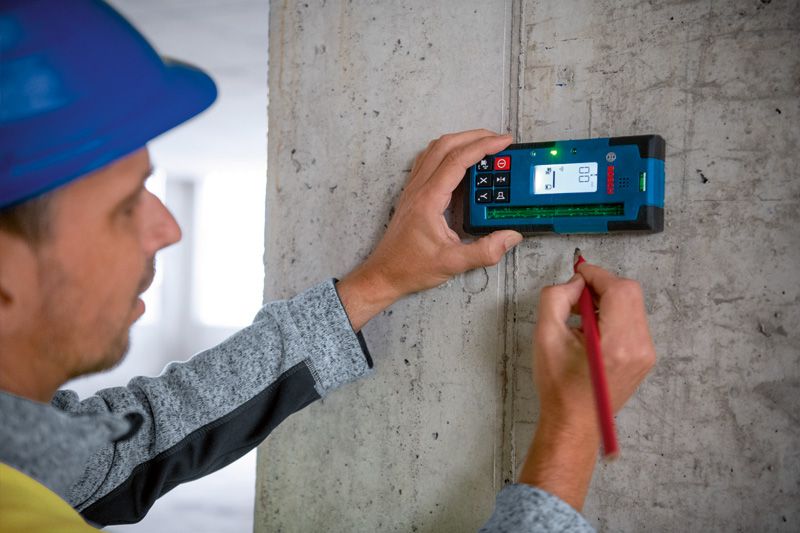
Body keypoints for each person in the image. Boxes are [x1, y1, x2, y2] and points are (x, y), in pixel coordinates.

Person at [0, 1, 655, 531]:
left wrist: (378, 282)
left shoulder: (24, 453)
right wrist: (571, 433)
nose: (167, 227)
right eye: (122, 207)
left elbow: (140, 437)